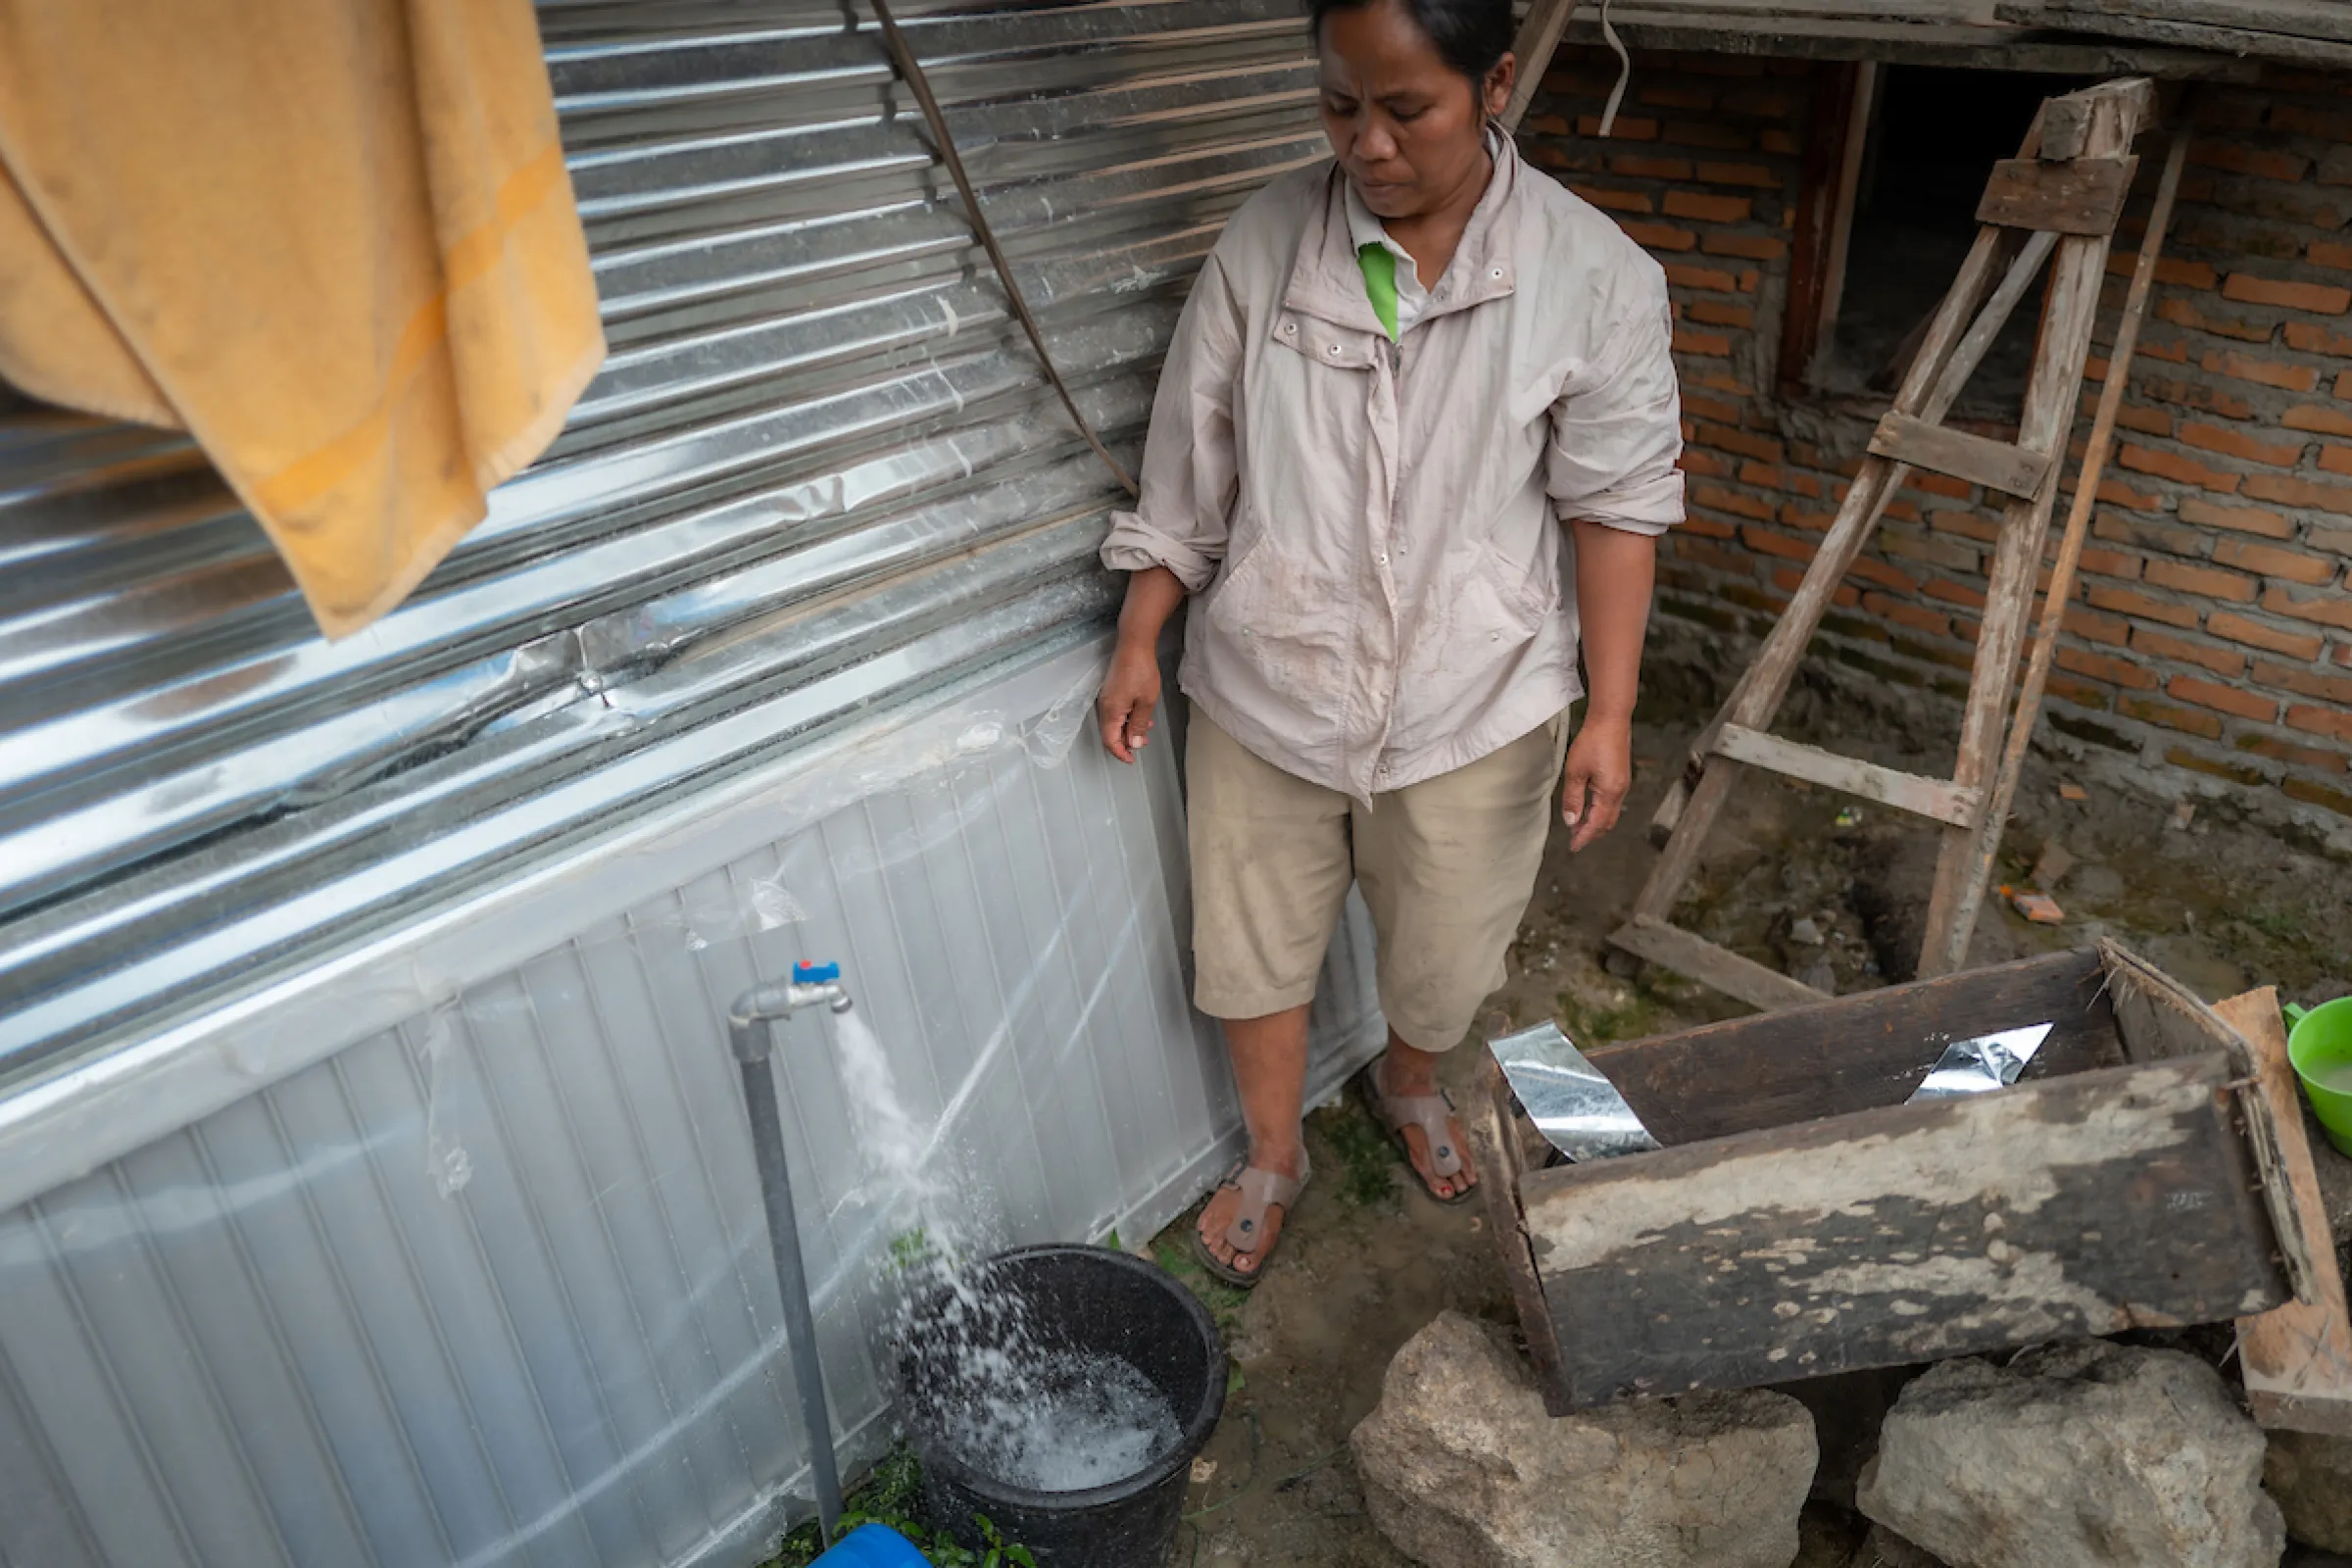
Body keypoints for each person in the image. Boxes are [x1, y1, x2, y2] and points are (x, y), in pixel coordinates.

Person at [1096, 0, 1684, 1285]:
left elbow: (1616, 509)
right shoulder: (1265, 241)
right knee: (1250, 940)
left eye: (1405, 109)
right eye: (1339, 104)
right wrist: (1144, 632)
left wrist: (1610, 710)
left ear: (1496, 83)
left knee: (1445, 954)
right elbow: (1190, 460)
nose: (1366, 143)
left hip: (1478, 697)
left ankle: (1409, 1080)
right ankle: (1274, 1153)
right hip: (1268, 679)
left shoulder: (1595, 277)